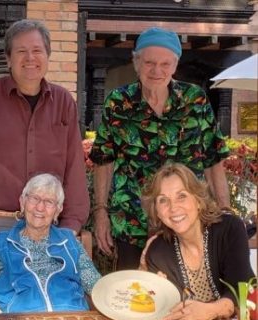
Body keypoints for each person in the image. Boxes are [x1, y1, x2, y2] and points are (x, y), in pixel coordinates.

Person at [0, 19, 89, 276]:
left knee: (39, 309)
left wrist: (70, 225)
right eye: (21, 51)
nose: (30, 58)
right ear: (9, 58)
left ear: (47, 55)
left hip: (47, 228)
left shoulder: (64, 102)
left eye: (37, 50)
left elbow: (74, 168)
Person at [89, 26, 230, 270]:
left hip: (186, 223)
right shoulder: (118, 102)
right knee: (134, 298)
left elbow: (213, 159)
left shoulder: (195, 100)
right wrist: (100, 212)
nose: (157, 70)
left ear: (175, 66)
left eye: (165, 64)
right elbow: (104, 159)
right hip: (132, 222)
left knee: (186, 299)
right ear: (136, 63)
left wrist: (226, 214)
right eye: (149, 62)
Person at [0, 173, 101, 314]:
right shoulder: (1, 245)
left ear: (58, 210)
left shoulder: (70, 243)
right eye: (34, 198)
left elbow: (98, 289)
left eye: (49, 202)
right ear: (22, 202)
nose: (40, 207)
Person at [141, 163, 254, 320]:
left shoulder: (229, 229)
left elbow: (241, 290)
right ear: (157, 211)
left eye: (182, 196)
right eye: (163, 200)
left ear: (199, 201)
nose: (173, 208)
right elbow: (164, 312)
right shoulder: (157, 252)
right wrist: (146, 280)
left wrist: (212, 310)